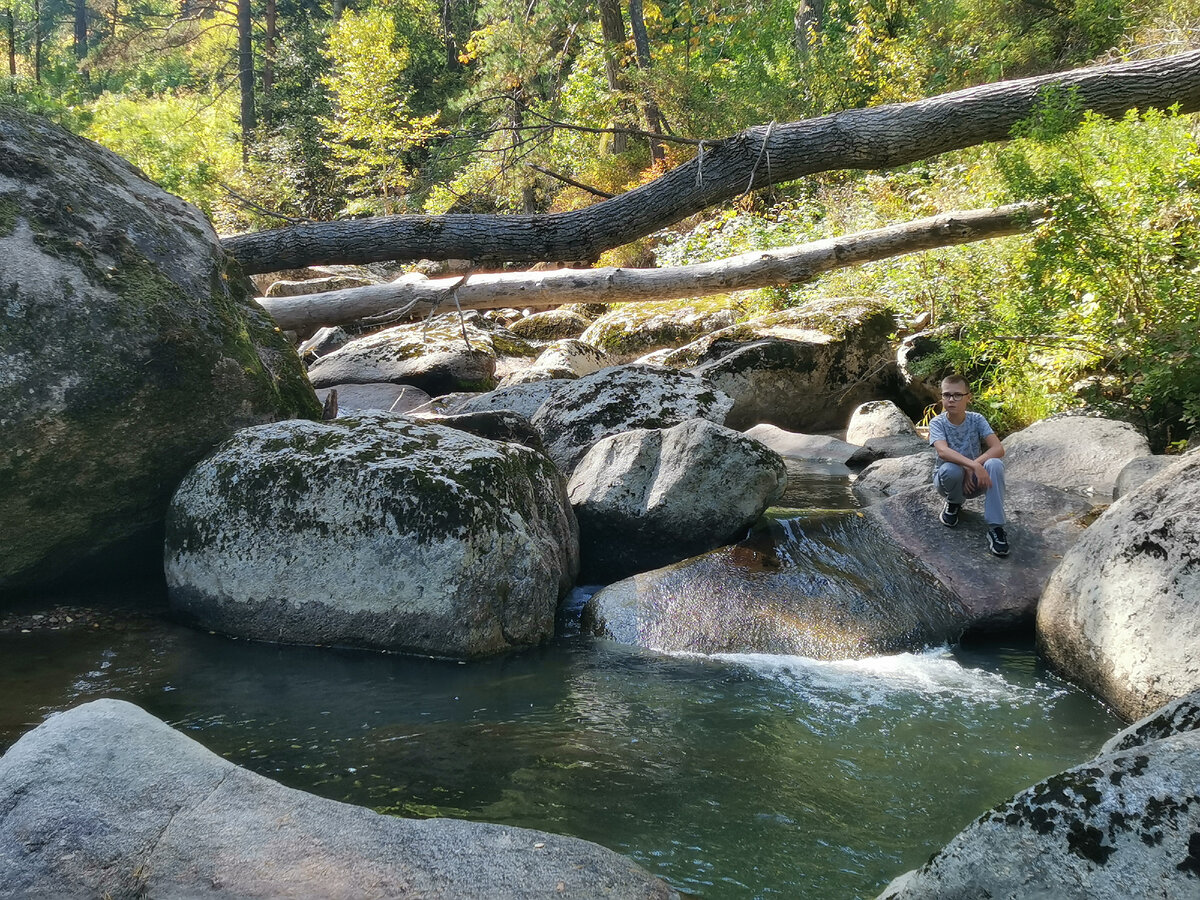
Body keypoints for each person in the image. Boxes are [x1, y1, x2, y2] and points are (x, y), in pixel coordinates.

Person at [928, 375, 1009, 557]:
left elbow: (998, 448)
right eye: (946, 395)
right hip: (949, 481)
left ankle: (996, 528)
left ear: (968, 397)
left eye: (957, 395)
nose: (951, 400)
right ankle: (954, 503)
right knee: (951, 468)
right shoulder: (937, 422)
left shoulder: (976, 419)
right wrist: (970, 465)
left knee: (995, 464)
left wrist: (974, 467)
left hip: (974, 481)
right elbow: (943, 452)